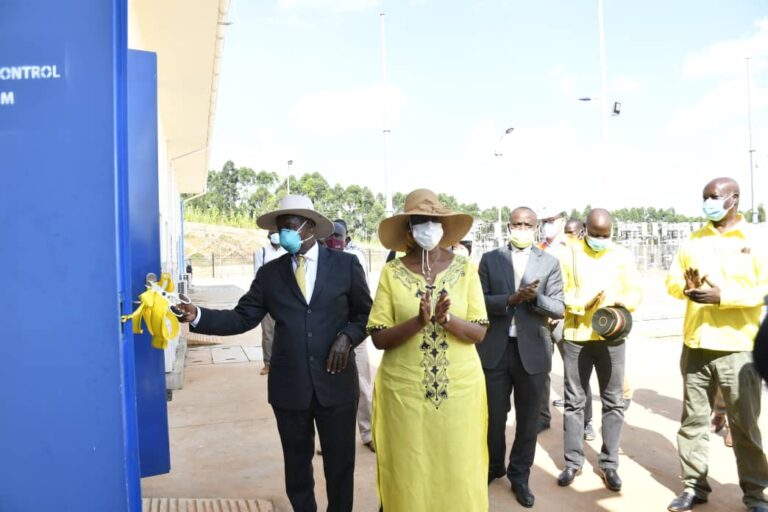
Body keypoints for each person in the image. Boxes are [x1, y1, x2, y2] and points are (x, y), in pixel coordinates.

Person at [175, 194, 372, 512]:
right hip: (289, 387)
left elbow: (366, 315)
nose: (283, 235)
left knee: (340, 465)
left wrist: (347, 338)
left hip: (335, 383)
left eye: (290, 226)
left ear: (309, 226)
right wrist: (197, 315)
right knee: (297, 467)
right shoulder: (270, 274)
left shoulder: (346, 266)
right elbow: (242, 317)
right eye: (280, 229)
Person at [367, 189, 489, 512]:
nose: (427, 227)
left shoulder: (465, 269)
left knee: (459, 468)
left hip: (459, 394)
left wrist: (446, 320)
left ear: (443, 226)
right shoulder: (392, 274)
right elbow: (378, 337)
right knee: (409, 469)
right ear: (408, 229)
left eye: (433, 220)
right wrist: (419, 322)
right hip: (404, 396)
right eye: (420, 221)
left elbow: (479, 331)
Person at [665, 177, 768, 512]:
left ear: (733, 199)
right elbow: (671, 281)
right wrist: (685, 287)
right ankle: (694, 487)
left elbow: (763, 289)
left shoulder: (757, 240)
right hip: (696, 345)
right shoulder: (693, 240)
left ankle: (755, 495)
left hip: (738, 348)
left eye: (714, 196)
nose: (707, 201)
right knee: (693, 423)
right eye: (704, 196)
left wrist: (724, 297)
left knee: (744, 427)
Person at [478, 206, 564, 508]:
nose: (522, 229)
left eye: (528, 225)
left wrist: (535, 299)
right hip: (495, 351)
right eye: (517, 224)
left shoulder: (550, 263)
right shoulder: (490, 260)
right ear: (509, 227)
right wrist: (510, 299)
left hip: (533, 352)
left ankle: (520, 476)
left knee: (528, 420)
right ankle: (494, 466)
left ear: (535, 228)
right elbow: (478, 301)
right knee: (492, 417)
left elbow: (558, 307)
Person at [557, 208, 642, 493]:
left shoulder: (622, 256)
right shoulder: (568, 254)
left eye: (605, 235)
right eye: (595, 235)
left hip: (611, 339)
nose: (600, 239)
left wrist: (615, 302)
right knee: (574, 401)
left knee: (613, 401)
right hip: (576, 338)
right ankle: (572, 462)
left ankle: (609, 464)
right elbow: (560, 292)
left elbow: (635, 293)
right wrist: (584, 303)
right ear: (584, 231)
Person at [326, 220, 376, 452]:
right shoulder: (319, 260)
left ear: (347, 238)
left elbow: (363, 300)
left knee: (363, 386)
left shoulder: (355, 259)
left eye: (339, 235)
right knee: (326, 388)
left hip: (354, 334)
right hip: (327, 336)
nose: (334, 238)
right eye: (331, 234)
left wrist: (352, 334)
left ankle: (368, 433)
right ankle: (327, 439)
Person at [253, 229, 287, 375]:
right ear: (268, 236)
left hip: (285, 298)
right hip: (268, 298)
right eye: (273, 232)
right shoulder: (262, 252)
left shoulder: (287, 251)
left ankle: (284, 361)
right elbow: (258, 276)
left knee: (286, 331)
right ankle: (268, 363)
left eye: (277, 232)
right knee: (268, 333)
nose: (276, 235)